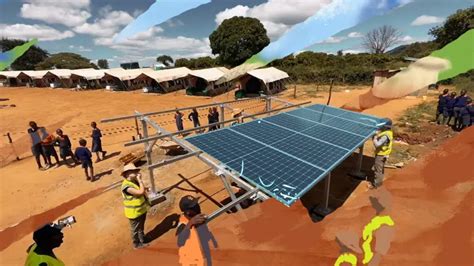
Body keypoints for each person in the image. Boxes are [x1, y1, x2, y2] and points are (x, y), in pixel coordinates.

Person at [176, 195, 217, 266]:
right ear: (188, 212)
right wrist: (190, 223)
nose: (197, 207)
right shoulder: (183, 223)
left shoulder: (197, 218)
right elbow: (180, 242)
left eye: (196, 204)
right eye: (194, 207)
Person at [121, 164, 150, 249]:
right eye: (133, 171)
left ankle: (142, 239)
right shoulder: (127, 187)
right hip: (133, 213)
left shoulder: (134, 181)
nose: (137, 172)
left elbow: (141, 189)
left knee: (141, 226)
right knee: (135, 229)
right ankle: (136, 244)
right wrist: (140, 180)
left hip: (141, 210)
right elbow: (140, 192)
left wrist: (145, 188)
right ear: (127, 174)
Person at [369, 118, 393, 189]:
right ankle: (379, 181)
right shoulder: (388, 132)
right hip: (384, 153)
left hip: (381, 155)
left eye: (382, 126)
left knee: (378, 170)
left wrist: (374, 138)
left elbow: (377, 144)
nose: (380, 127)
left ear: (385, 127)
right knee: (380, 168)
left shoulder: (385, 136)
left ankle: (376, 184)